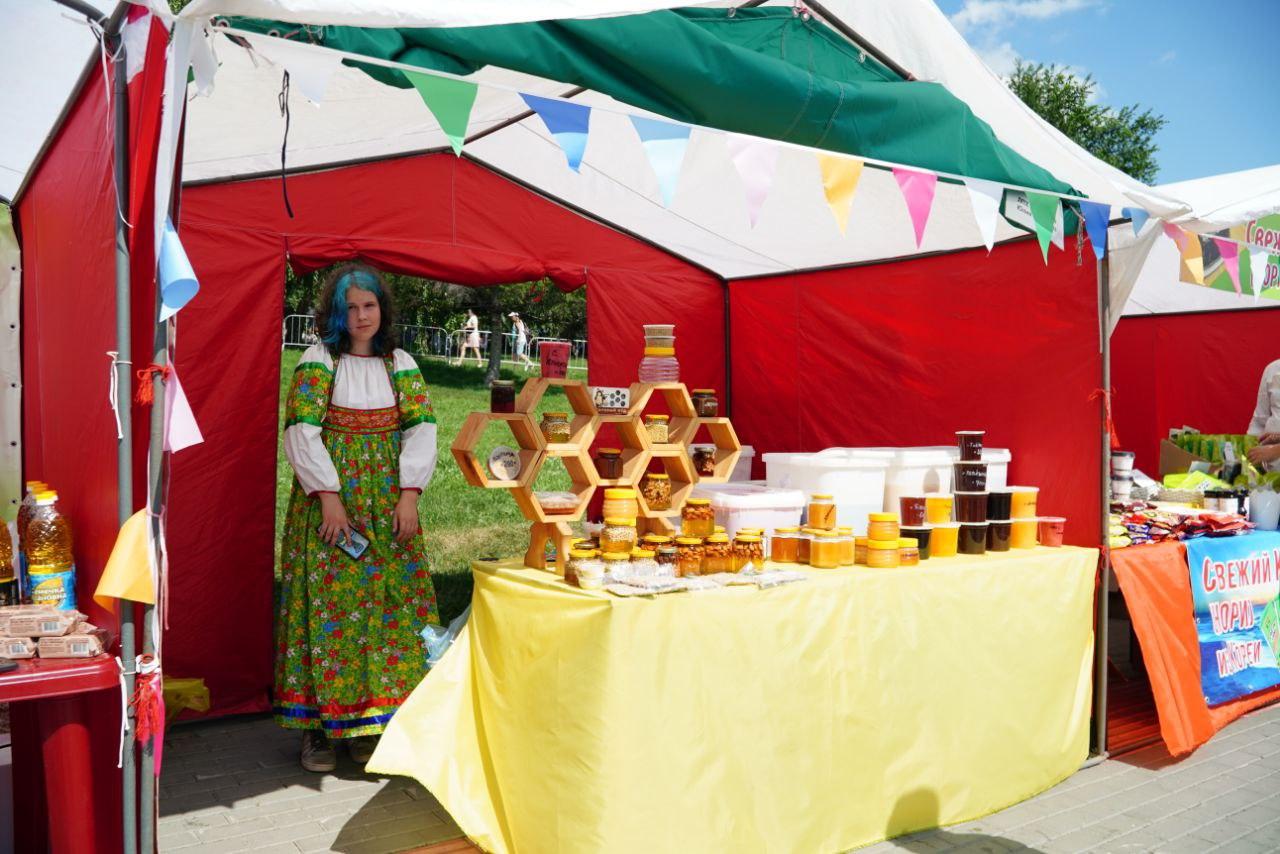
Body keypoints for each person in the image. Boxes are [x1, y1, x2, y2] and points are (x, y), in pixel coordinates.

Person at [277, 263, 440, 773]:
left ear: (382, 309)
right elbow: (302, 430)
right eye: (350, 307)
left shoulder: (401, 363)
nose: (361, 315)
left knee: (388, 609)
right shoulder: (318, 359)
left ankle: (371, 723)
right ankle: (319, 730)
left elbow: (422, 428)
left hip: (389, 502)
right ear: (335, 314)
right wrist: (328, 495)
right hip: (334, 504)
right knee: (324, 609)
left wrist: (409, 494)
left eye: (369, 305)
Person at [1247, 359, 1280, 470]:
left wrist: (1275, 450)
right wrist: (1247, 449)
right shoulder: (1272, 369)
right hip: (1270, 470)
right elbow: (1259, 421)